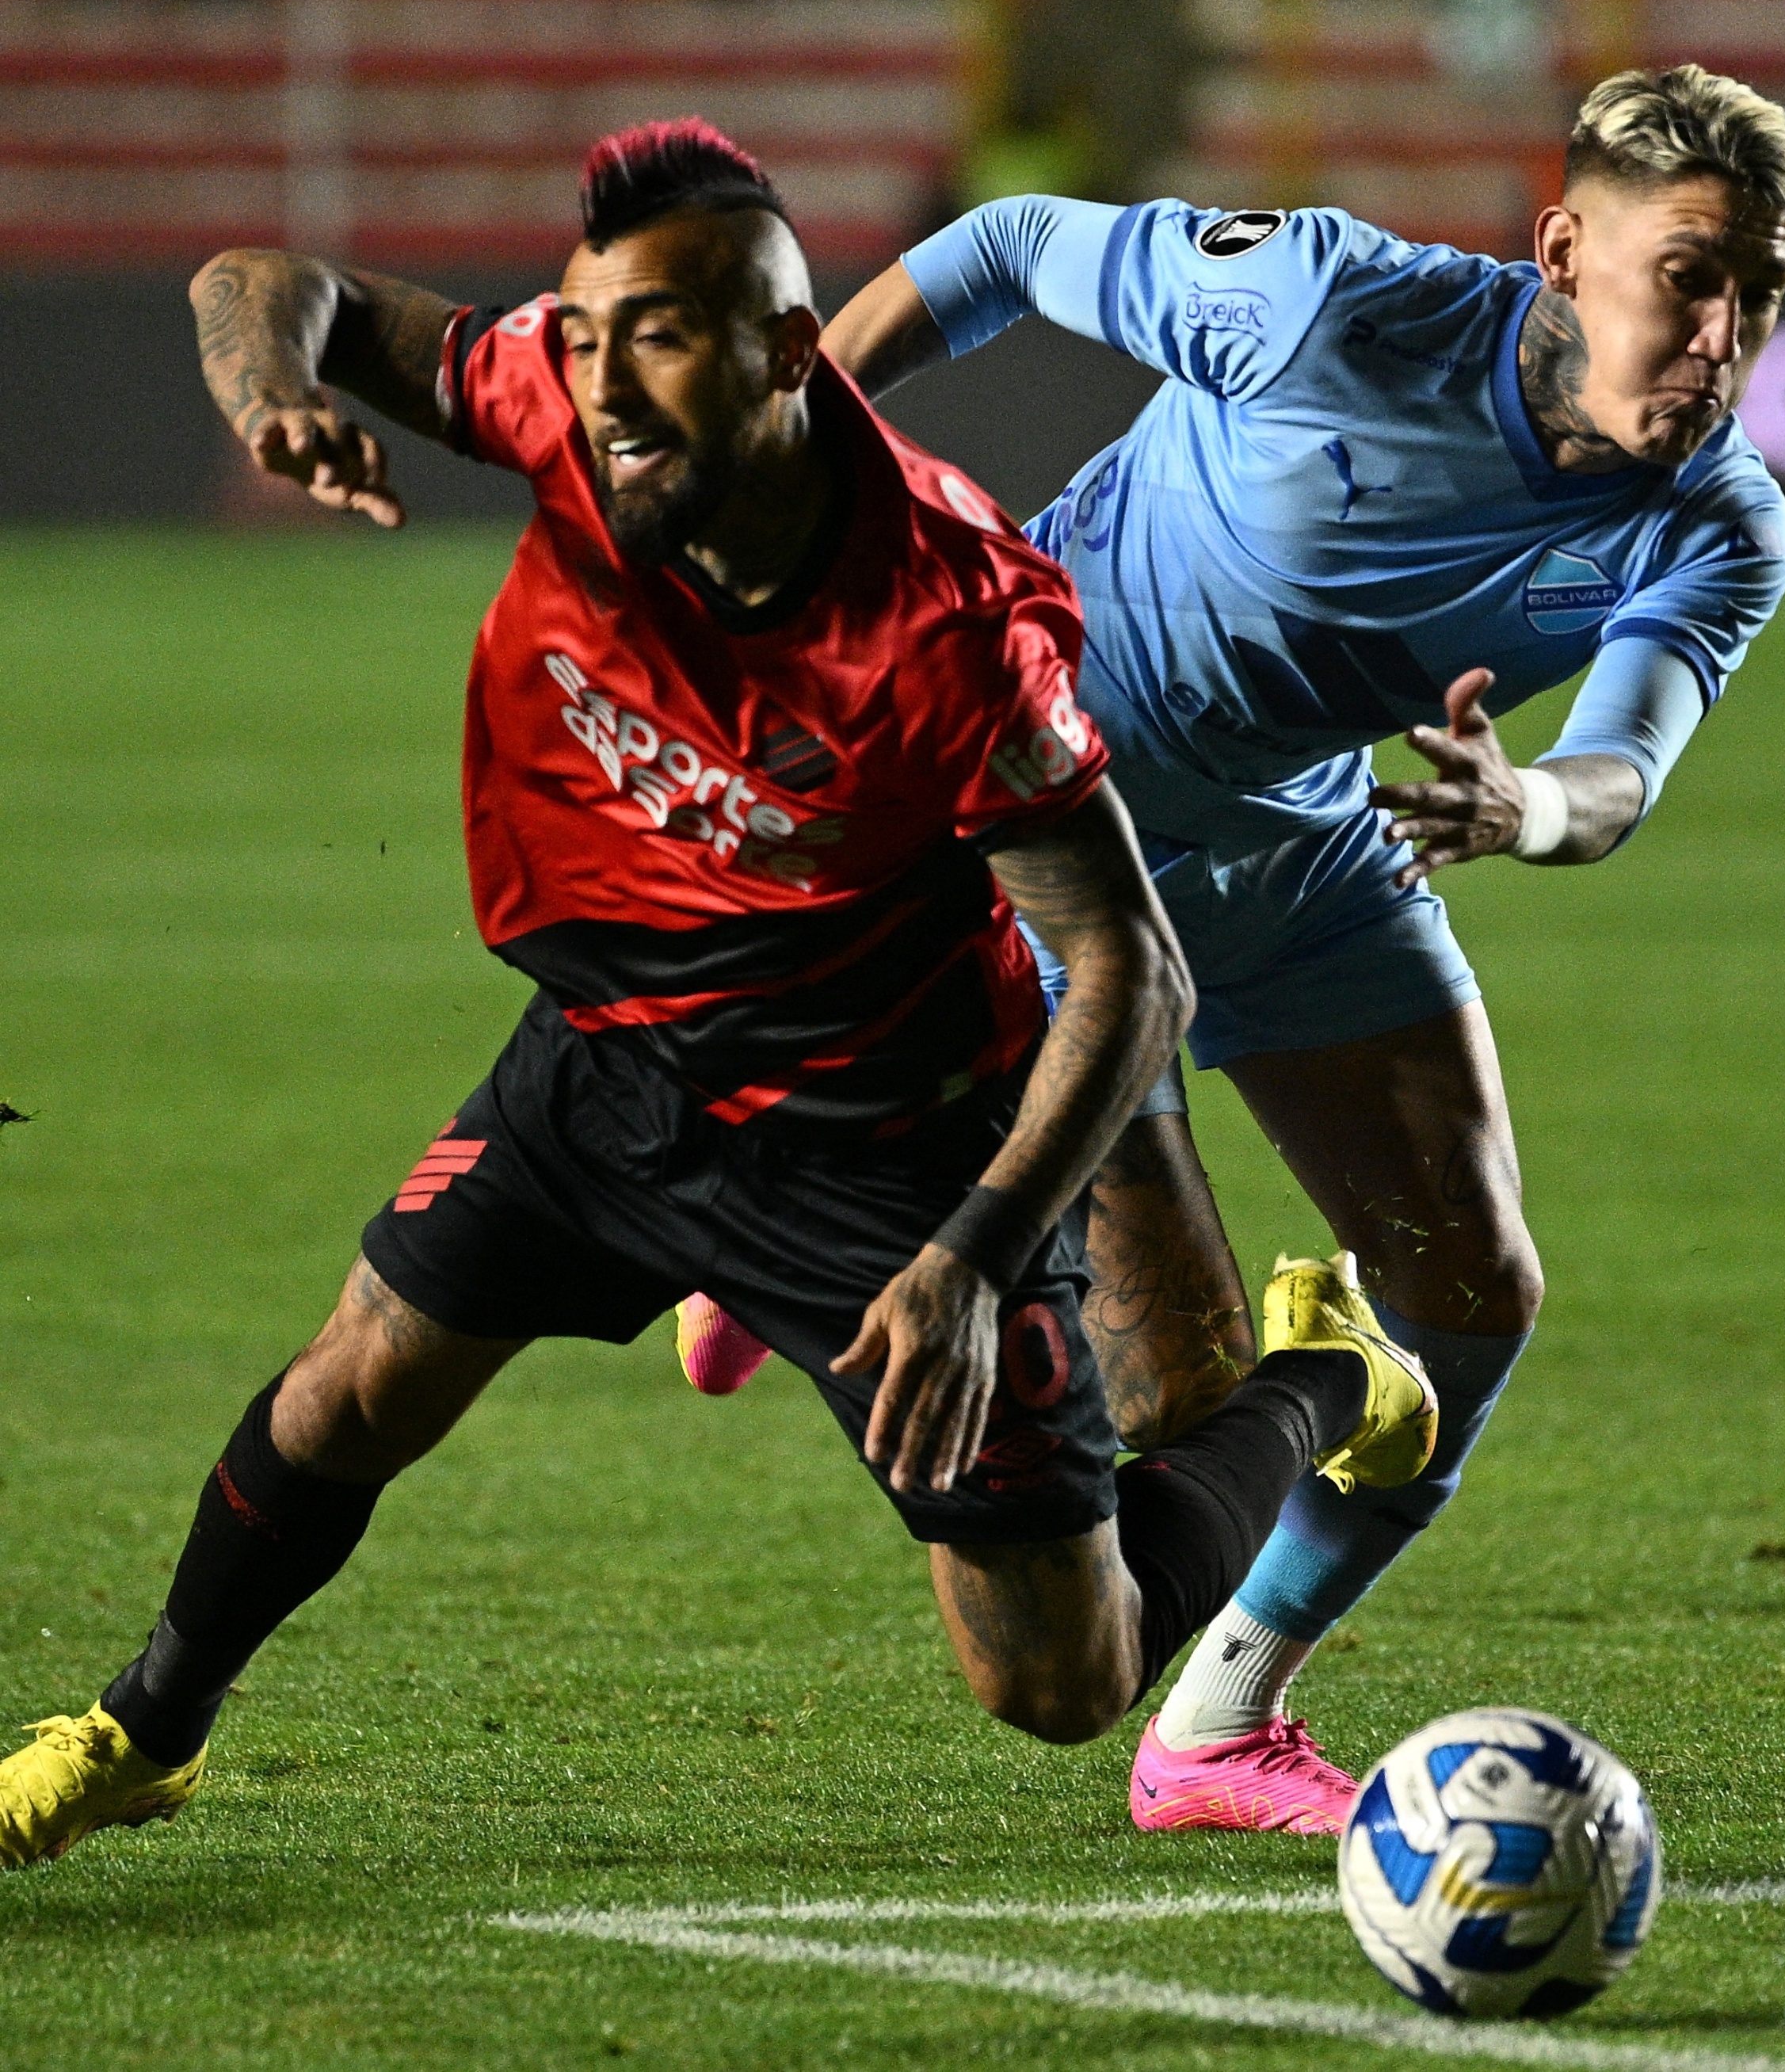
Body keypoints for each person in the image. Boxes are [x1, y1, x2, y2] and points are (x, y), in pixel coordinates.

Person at [0, 120, 1440, 1869]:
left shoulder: (947, 621)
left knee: (1061, 1681)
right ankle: (146, 1730)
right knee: (346, 1390)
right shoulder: (567, 396)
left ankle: (1318, 1377)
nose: (598, 386)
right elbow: (257, 284)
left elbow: (1130, 971)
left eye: (655, 339)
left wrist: (975, 1255)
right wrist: (267, 387)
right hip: (610, 1062)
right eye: (583, 335)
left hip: (887, 1154)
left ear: (779, 350)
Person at [812, 63, 1785, 1834]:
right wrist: (791, 446)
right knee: (1203, 1402)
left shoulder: (1714, 518)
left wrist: (1533, 811)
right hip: (1040, 818)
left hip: (1288, 831)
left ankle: (1213, 1729)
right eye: (1688, 276)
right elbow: (1014, 243)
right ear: (1565, 250)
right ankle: (806, 1172)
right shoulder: (1323, 302)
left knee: (1468, 1290)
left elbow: (1620, 767)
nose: (1720, 335)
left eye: (1758, 290)